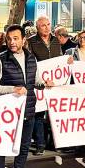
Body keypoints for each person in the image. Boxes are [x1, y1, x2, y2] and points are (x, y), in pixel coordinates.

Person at [0, 25, 46, 168]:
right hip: (7, 112)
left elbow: (34, 79)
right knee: (2, 146)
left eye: (15, 38)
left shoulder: (31, 58)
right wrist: (12, 89)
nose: (12, 42)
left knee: (24, 146)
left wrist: (43, 83)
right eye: (9, 39)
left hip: (27, 109)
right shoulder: (0, 59)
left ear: (23, 40)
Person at [27, 16, 64, 155]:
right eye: (43, 25)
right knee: (39, 113)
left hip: (54, 81)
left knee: (54, 112)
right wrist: (40, 79)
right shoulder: (31, 42)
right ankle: (40, 143)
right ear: (37, 27)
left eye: (49, 24)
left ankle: (53, 142)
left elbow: (60, 58)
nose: (47, 27)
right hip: (38, 82)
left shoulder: (55, 41)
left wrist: (68, 61)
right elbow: (29, 62)